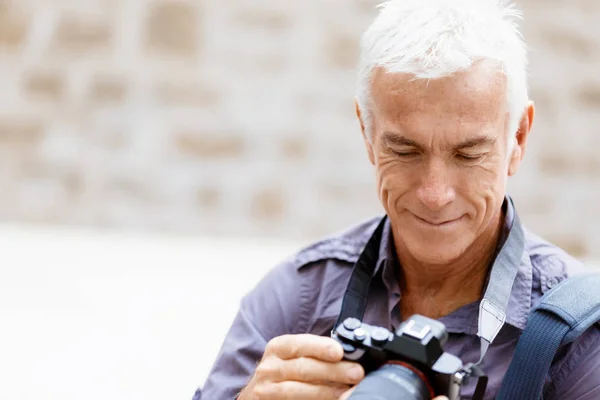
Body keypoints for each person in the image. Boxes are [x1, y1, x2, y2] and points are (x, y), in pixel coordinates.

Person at [196, 0, 600, 399]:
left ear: (518, 139)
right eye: (405, 151)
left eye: (468, 154)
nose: (435, 194)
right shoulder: (298, 299)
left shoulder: (577, 338)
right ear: (367, 133)